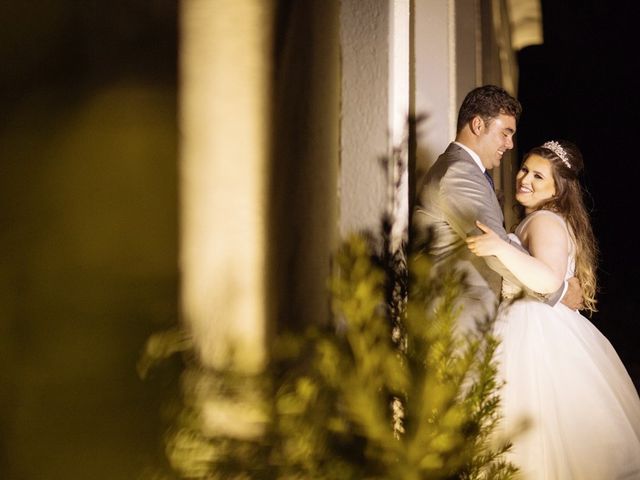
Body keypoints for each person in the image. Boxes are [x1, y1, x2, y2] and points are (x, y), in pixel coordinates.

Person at [466, 140, 640, 479]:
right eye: (524, 169)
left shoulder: (544, 219)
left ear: (557, 189)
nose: (524, 179)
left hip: (534, 328)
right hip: (540, 322)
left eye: (538, 177)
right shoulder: (546, 218)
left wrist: (500, 247)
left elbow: (547, 280)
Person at [412, 85, 582, 334]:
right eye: (505, 133)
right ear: (478, 125)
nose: (510, 144)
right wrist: (560, 291)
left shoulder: (465, 169)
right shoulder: (459, 173)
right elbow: (494, 248)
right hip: (455, 321)